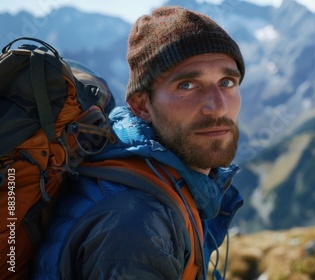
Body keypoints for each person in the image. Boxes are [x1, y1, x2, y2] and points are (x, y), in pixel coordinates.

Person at [33, 6, 245, 280]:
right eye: (188, 85)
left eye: (227, 82)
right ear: (141, 106)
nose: (217, 107)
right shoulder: (137, 225)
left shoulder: (165, 181)